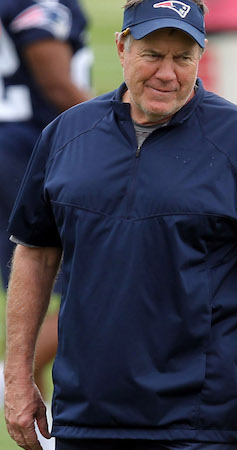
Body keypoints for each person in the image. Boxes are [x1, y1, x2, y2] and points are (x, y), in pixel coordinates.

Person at [3, 0, 237, 449]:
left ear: (201, 55)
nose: (168, 74)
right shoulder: (67, 134)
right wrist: (17, 376)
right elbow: (35, 254)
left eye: (183, 58)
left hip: (198, 422)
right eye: (153, 55)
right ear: (121, 48)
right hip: (83, 416)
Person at [0, 0, 92, 401]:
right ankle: (12, 377)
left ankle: (37, 407)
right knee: (92, 285)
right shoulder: (42, 4)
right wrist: (110, 131)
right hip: (28, 152)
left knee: (30, 285)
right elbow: (54, 81)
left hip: (14, 150)